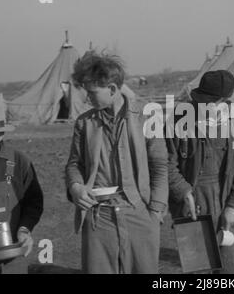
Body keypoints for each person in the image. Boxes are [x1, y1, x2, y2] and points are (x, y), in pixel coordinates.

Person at [65, 50, 168, 274]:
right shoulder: (84, 123)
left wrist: (156, 210)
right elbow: (74, 164)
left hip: (140, 212)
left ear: (112, 89)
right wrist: (75, 187)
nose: (87, 98)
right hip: (98, 216)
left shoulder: (147, 116)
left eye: (92, 92)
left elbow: (159, 166)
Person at [166, 70, 234, 274]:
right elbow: (166, 163)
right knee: (199, 271)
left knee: (228, 272)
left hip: (224, 204)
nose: (202, 105)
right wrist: (183, 192)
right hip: (192, 206)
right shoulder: (178, 118)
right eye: (200, 100)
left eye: (209, 102)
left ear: (224, 101)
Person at [0, 104, 43, 274]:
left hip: (12, 258)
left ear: (0, 135)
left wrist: (25, 229)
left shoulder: (18, 161)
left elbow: (33, 202)